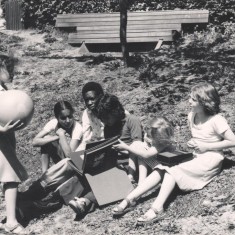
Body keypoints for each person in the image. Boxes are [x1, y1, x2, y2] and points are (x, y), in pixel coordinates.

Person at [114, 82, 235, 224]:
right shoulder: (192, 115)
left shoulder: (216, 120)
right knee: (161, 168)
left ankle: (156, 208)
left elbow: (233, 141)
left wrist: (206, 146)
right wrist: (194, 143)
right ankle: (129, 199)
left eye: (193, 99)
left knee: (173, 171)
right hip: (195, 155)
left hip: (211, 158)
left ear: (204, 102)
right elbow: (199, 139)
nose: (189, 101)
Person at [67, 93, 143, 216]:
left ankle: (84, 202)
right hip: (114, 164)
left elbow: (139, 149)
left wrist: (122, 149)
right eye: (102, 119)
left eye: (106, 118)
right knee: (85, 172)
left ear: (115, 111)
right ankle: (80, 201)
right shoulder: (108, 127)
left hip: (132, 166)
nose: (105, 122)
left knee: (110, 182)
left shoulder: (131, 121)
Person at [112, 116, 175, 217]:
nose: (150, 138)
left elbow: (146, 155)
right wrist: (144, 141)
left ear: (160, 137)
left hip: (164, 167)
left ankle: (137, 187)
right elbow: (145, 144)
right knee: (136, 145)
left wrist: (126, 147)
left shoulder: (163, 143)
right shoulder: (157, 137)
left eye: (152, 137)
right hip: (156, 162)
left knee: (139, 151)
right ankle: (139, 181)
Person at [0, 53, 29, 234]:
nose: (12, 73)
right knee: (10, 177)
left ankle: (11, 219)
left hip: (5, 140)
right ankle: (11, 221)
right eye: (8, 69)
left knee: (9, 177)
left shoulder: (3, 89)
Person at [32, 101, 83, 173]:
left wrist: (62, 135)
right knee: (46, 139)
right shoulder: (54, 123)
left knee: (49, 140)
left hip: (78, 163)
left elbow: (70, 155)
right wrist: (56, 137)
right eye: (63, 118)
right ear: (57, 117)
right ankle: (44, 174)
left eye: (70, 116)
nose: (68, 121)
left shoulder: (78, 128)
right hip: (64, 159)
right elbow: (35, 142)